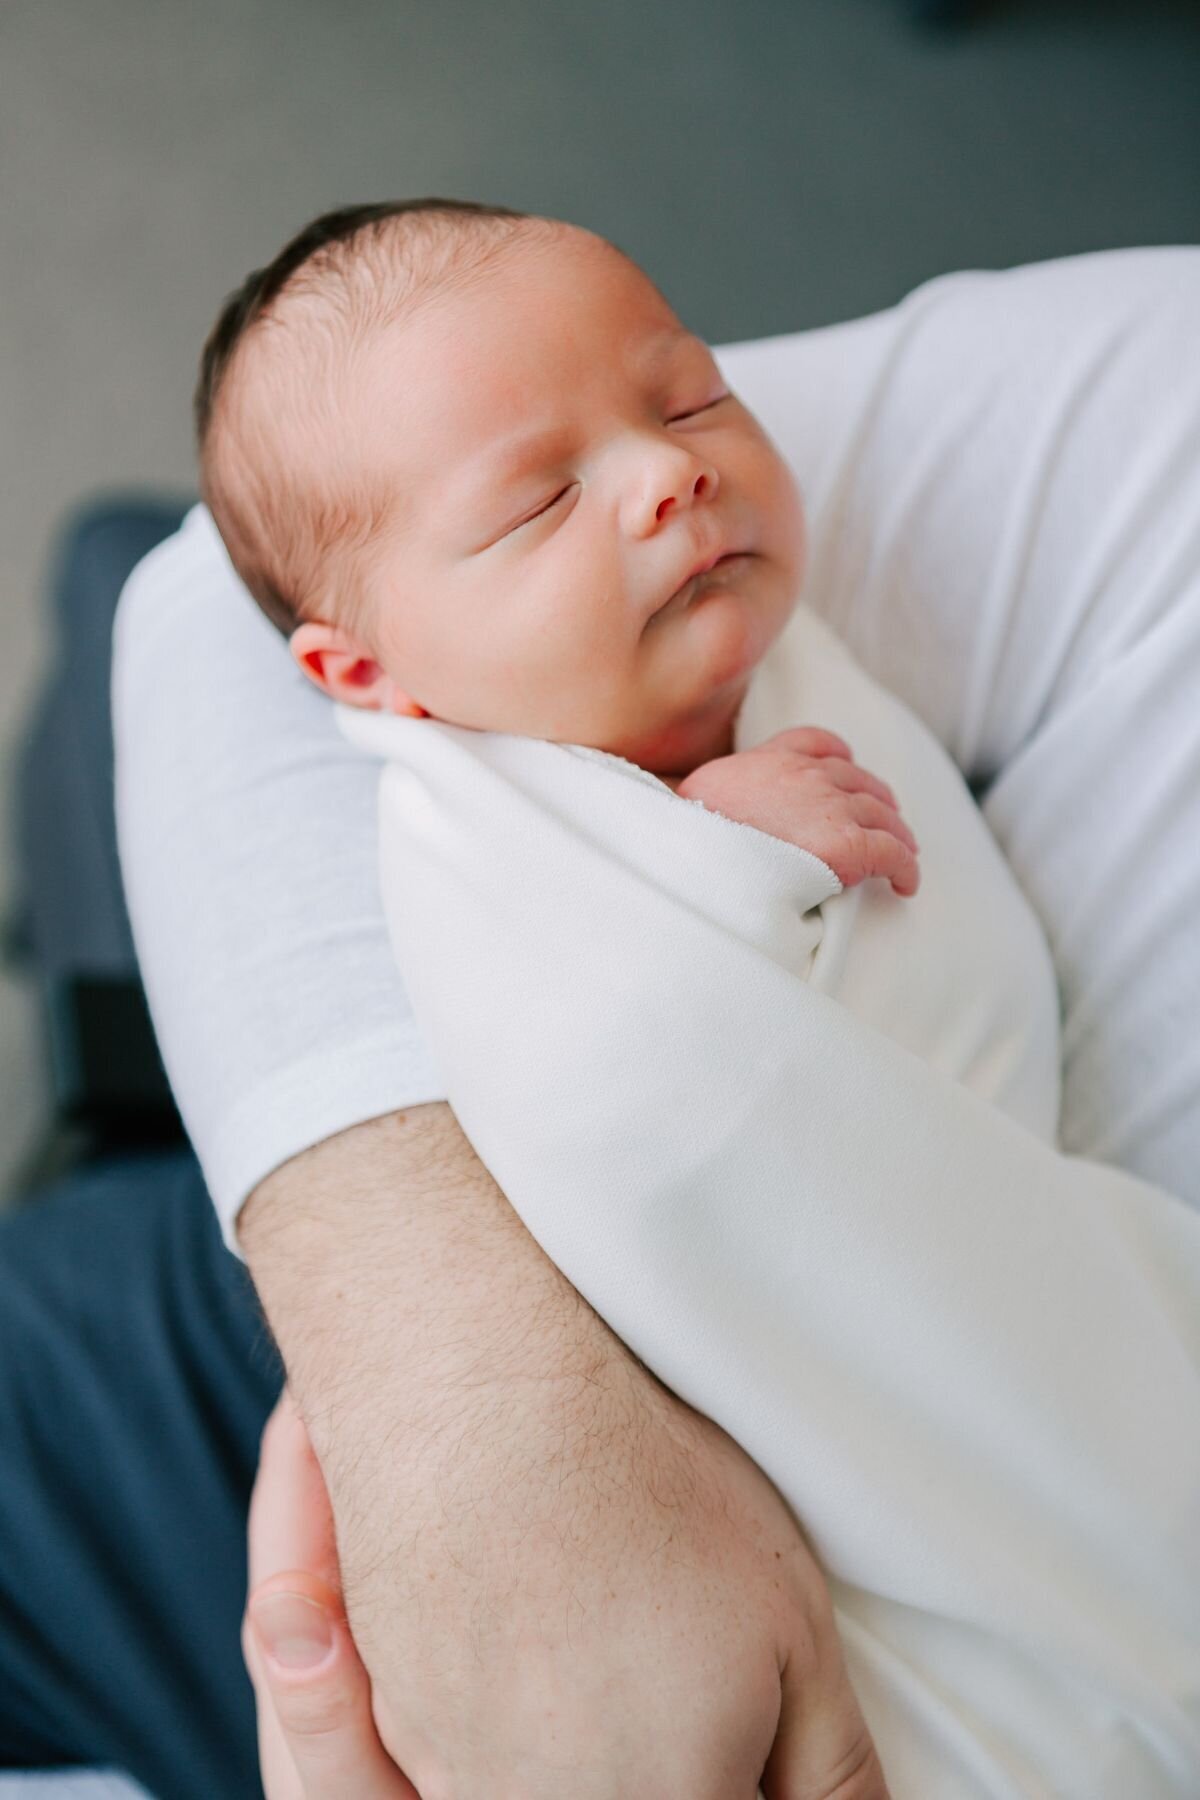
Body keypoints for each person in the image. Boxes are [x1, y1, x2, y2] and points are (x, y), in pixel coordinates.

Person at [0, 235, 1185, 1798]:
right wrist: (715, 871)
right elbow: (202, 621)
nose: (670, 476)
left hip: (819, 1584)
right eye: (543, 499)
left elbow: (734, 1100)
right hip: (506, 1347)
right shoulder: (482, 818)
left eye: (694, 407)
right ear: (365, 673)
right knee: (125, 570)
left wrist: (726, 868)